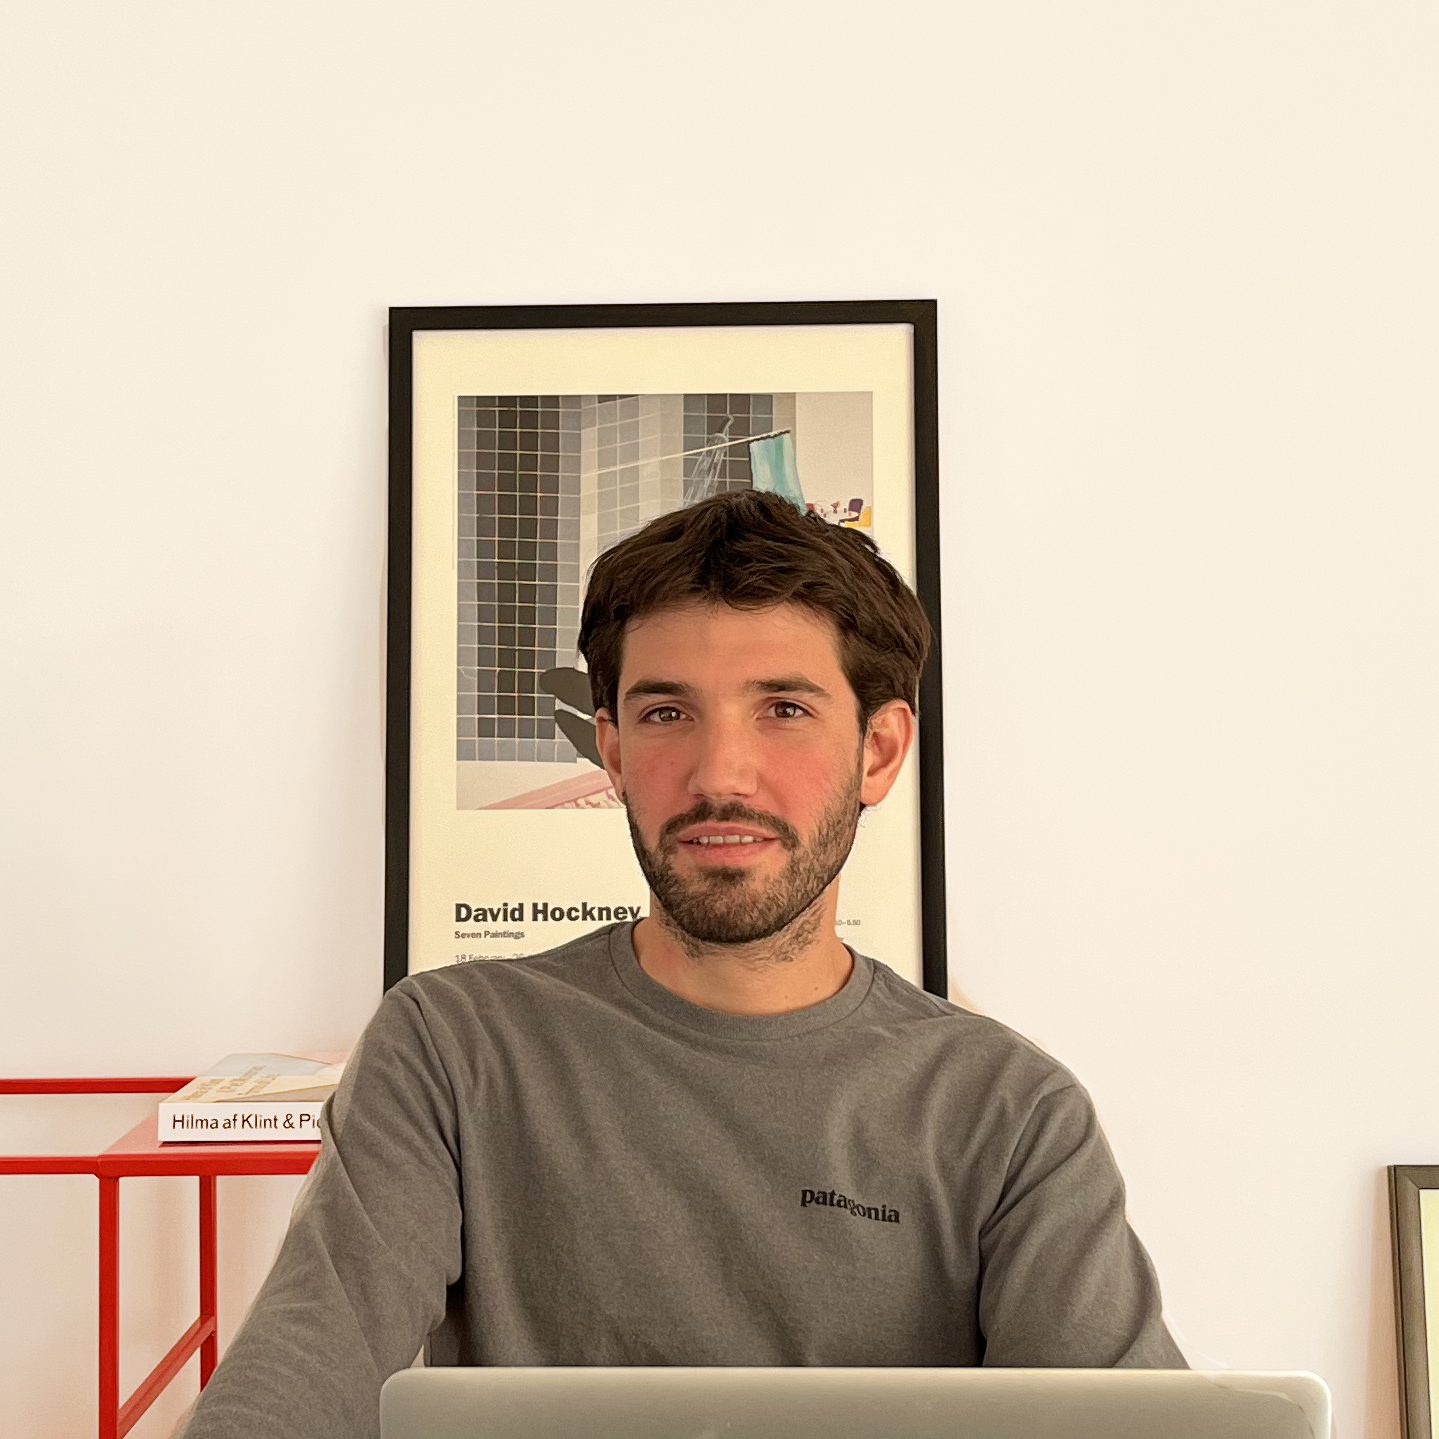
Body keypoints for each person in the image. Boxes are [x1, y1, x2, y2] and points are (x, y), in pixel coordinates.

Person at [176, 491, 1183, 1439]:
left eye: (782, 708)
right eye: (666, 712)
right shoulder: (453, 1047)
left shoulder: (1007, 1112)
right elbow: (295, 1381)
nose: (717, 774)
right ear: (612, 751)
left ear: (878, 751)